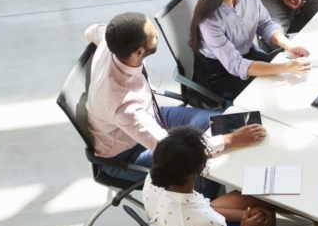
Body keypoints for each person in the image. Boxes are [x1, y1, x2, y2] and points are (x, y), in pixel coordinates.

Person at [84, 12, 266, 189]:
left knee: (223, 121)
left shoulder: (112, 42)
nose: (157, 33)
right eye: (154, 35)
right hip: (127, 154)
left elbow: (92, 30)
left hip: (152, 114)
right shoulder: (125, 105)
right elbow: (171, 151)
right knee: (203, 167)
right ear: (139, 52)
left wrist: (228, 137)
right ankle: (207, 210)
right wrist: (231, 140)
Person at [142, 127, 275, 226]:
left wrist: (243, 215)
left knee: (255, 201)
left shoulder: (152, 180)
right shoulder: (206, 221)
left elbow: (203, 210)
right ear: (200, 168)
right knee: (266, 212)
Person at [189, 0, 312, 100]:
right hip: (221, 71)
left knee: (292, 79)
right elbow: (236, 65)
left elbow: (264, 23)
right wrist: (286, 67)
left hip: (247, 53)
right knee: (273, 90)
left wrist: (289, 46)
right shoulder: (209, 21)